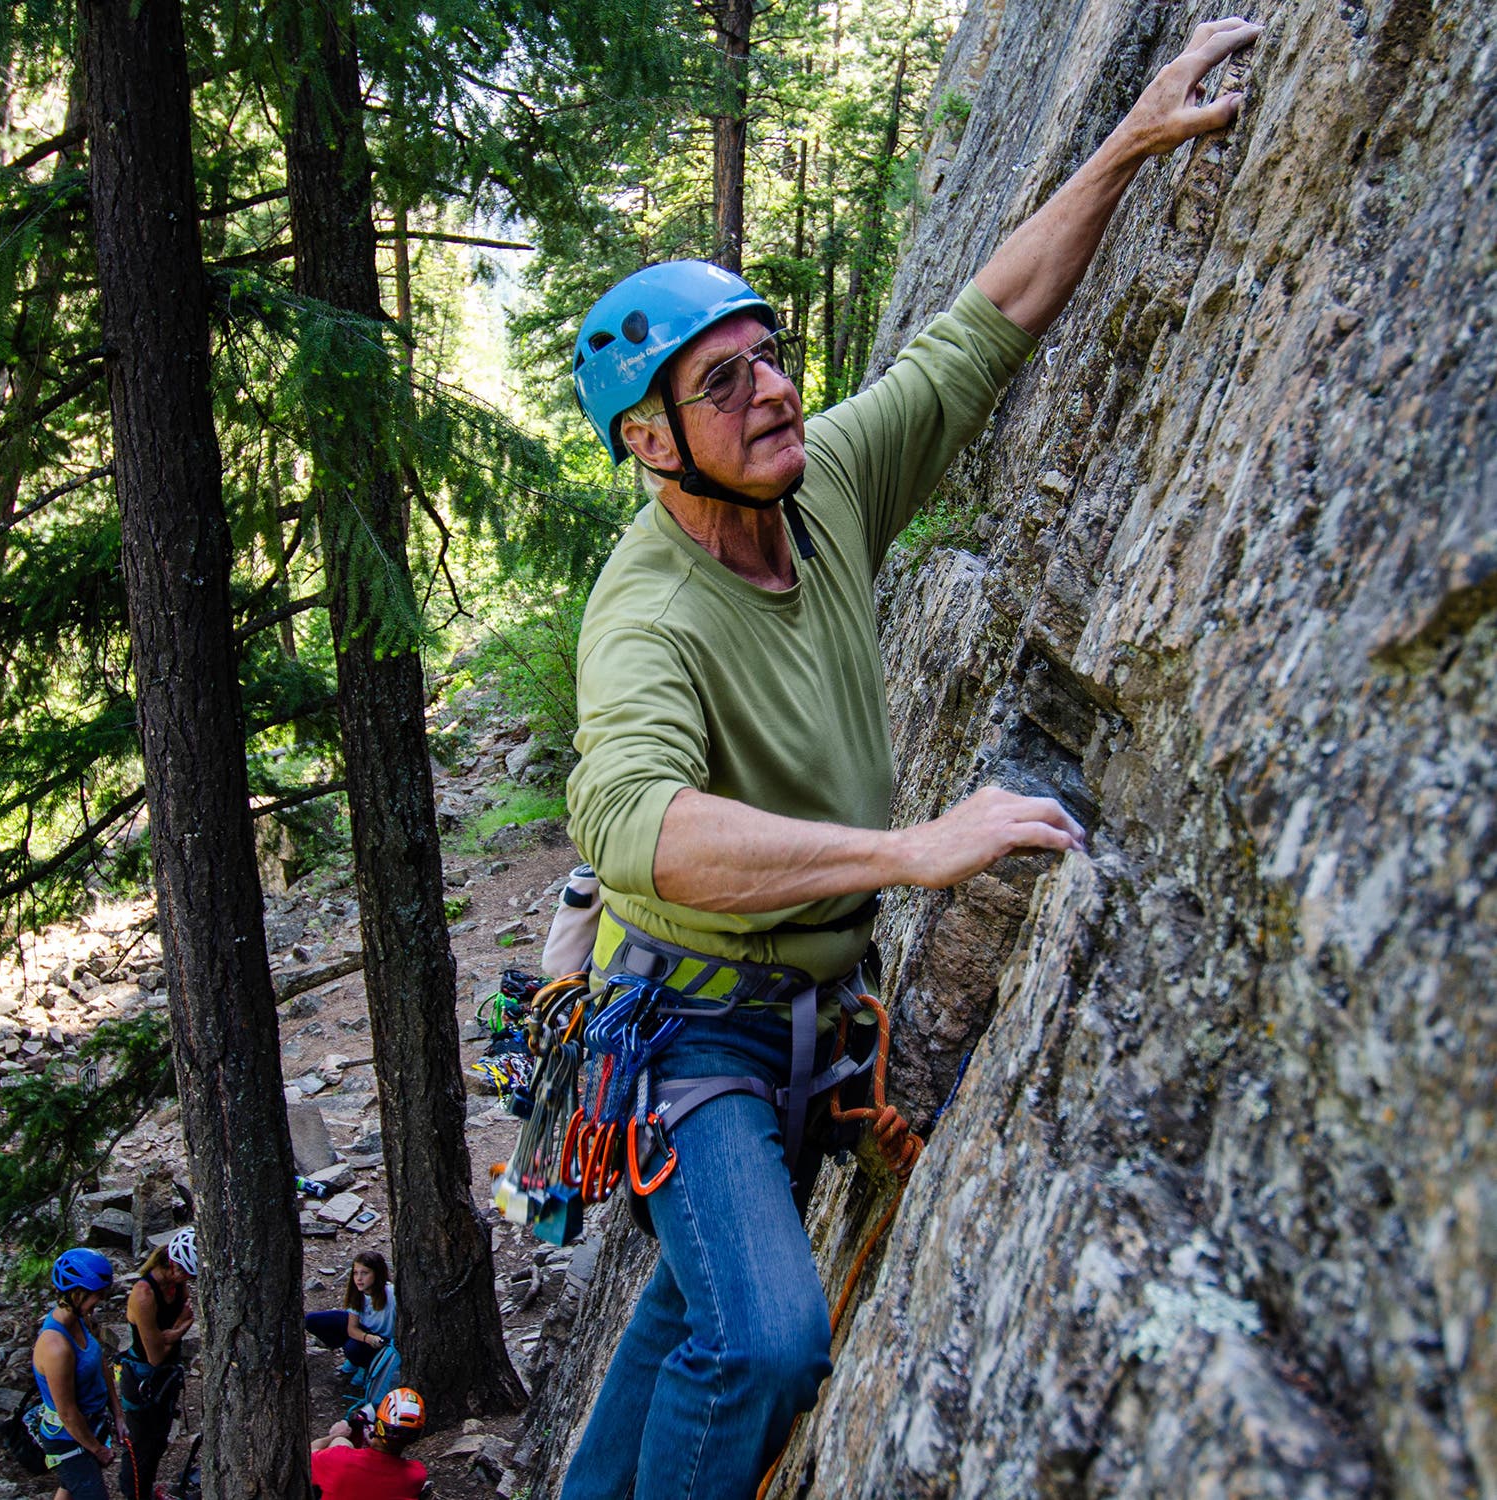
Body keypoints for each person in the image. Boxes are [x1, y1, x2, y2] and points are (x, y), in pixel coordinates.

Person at [558, 17, 1263, 1500]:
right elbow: (634, 824)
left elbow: (983, 325)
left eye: (767, 358)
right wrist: (907, 852)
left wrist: (1129, 140)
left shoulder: (817, 491)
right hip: (695, 1030)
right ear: (650, 444)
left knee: (698, 1303)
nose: (771, 392)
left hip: (798, 1012)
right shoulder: (646, 613)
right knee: (764, 1341)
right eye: (721, 384)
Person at [31, 1248, 127, 1500]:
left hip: (89, 1425)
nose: (101, 1300)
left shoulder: (80, 1320)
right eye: (97, 1295)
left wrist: (117, 1413)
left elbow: (99, 1363)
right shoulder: (56, 1347)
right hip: (67, 1437)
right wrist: (97, 1449)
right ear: (77, 1293)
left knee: (69, 1488)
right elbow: (67, 1412)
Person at [117, 1227, 196, 1500]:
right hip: (143, 1379)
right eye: (186, 1273)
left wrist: (169, 1335)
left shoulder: (177, 1284)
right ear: (172, 1263)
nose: (188, 1280)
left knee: (158, 1441)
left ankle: (147, 1492)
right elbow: (155, 1355)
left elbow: (188, 1316)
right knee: (140, 1446)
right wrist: (178, 1328)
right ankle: (135, 1495)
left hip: (165, 1377)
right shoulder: (144, 1294)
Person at [309, 1386, 428, 1500]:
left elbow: (307, 1456)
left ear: (378, 1427)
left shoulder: (338, 1458)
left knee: (340, 1441)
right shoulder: (416, 1475)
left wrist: (335, 1436)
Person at [305, 1251, 395, 1387]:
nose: (359, 1278)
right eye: (355, 1273)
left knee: (352, 1348)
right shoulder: (357, 1293)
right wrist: (367, 1338)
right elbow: (352, 1329)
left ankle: (366, 1365)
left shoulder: (391, 1293)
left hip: (384, 1341)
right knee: (312, 1320)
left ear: (377, 1274)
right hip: (366, 1334)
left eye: (365, 1273)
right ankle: (356, 1360)